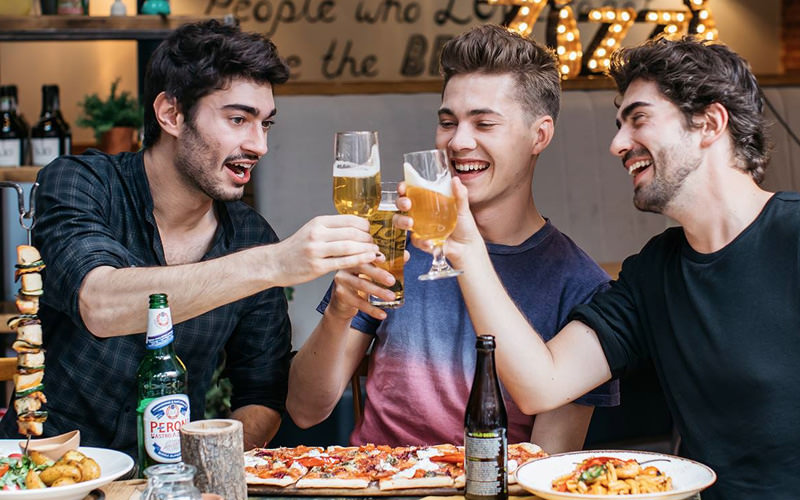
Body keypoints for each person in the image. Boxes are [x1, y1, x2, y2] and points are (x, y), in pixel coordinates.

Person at [405, 35, 800, 500]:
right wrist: (467, 250)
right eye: (619, 125)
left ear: (710, 123)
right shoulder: (653, 273)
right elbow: (541, 384)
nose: (617, 144)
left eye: (639, 119)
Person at [0, 20, 380, 460]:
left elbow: (262, 395)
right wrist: (274, 263)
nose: (259, 145)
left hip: (175, 477)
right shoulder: (81, 182)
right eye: (238, 119)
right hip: (43, 470)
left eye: (265, 124)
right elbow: (99, 305)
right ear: (171, 114)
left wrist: (203, 468)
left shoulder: (252, 236)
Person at [287, 24, 618, 453]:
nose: (458, 141)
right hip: (374, 479)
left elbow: (545, 467)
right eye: (448, 122)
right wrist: (338, 311)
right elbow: (304, 411)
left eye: (484, 123)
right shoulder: (395, 241)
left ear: (539, 135)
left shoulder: (581, 286)